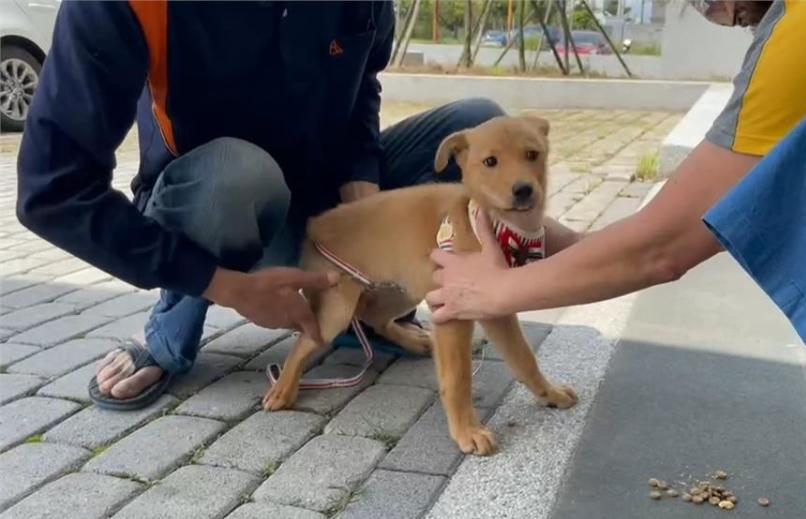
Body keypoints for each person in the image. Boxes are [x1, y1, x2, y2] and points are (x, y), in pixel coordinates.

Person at [426, 2, 806, 519]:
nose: (717, 18)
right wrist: (574, 247)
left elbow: (664, 246)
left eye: (707, 4)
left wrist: (499, 289)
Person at [14, 1, 586, 410]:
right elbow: (53, 191)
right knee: (234, 174)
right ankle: (171, 332)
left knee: (474, 121)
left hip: (327, 211)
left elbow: (362, 85)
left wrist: (361, 179)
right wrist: (224, 285)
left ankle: (359, 312)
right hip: (224, 209)